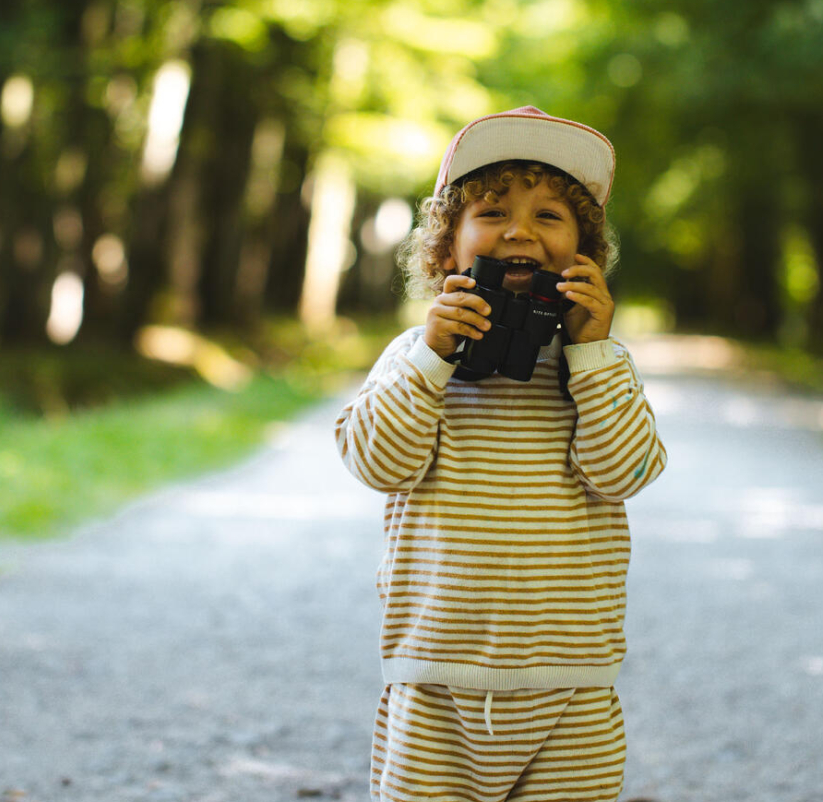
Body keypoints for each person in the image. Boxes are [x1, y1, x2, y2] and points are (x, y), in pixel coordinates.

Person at [334, 106, 667, 802]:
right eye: (492, 212)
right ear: (448, 245)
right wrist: (431, 357)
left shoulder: (601, 366)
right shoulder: (412, 357)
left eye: (550, 216)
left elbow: (623, 472)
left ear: (585, 250)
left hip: (572, 683)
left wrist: (593, 352)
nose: (519, 230)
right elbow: (376, 463)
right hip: (434, 680)